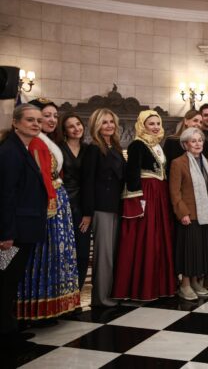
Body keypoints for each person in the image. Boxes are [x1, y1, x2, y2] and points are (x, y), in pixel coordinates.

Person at [17, 98, 80, 322]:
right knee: (44, 254)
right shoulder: (35, 142)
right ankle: (38, 308)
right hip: (47, 204)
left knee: (56, 254)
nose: (52, 119)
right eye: (47, 115)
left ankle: (53, 305)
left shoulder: (47, 141)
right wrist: (51, 204)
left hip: (57, 201)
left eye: (55, 116)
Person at [112, 111, 176, 301]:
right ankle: (140, 288)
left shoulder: (156, 145)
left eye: (158, 123)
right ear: (142, 125)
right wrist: (138, 201)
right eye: (151, 124)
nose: (156, 127)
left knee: (159, 238)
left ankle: (159, 285)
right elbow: (132, 173)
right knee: (146, 238)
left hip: (160, 194)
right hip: (147, 194)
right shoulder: (137, 145)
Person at [0, 105, 47, 351]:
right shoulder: (10, 151)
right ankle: (4, 332)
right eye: (30, 120)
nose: (36, 124)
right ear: (16, 123)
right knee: (5, 279)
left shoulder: (23, 149)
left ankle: (7, 327)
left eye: (39, 120)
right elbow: (5, 195)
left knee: (10, 279)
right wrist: (6, 234)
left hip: (23, 228)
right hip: (13, 232)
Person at [82, 108, 125, 307]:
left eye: (111, 122)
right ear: (96, 125)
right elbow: (87, 182)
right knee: (103, 254)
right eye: (105, 122)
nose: (109, 125)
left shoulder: (115, 146)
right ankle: (100, 298)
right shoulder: (93, 148)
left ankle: (112, 292)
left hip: (116, 205)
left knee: (114, 253)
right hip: (101, 207)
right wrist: (87, 212)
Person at [170, 127, 208, 300]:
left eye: (200, 140)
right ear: (185, 144)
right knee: (188, 251)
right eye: (193, 141)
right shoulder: (178, 163)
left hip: (205, 214)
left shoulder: (207, 162)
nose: (197, 144)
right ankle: (185, 285)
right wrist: (183, 213)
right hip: (189, 214)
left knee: (200, 251)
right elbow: (175, 192)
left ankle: (196, 282)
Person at [57, 112, 90, 290]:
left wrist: (88, 212)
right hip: (62, 203)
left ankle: (77, 290)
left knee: (82, 251)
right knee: (63, 252)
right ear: (64, 130)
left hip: (83, 204)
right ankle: (62, 292)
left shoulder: (88, 149)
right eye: (71, 126)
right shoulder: (58, 148)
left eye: (78, 124)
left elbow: (91, 181)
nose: (76, 128)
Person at [163, 110, 208, 178]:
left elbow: (206, 167)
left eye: (201, 122)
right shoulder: (171, 141)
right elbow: (166, 167)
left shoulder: (205, 143)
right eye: (195, 120)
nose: (198, 124)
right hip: (175, 180)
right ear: (186, 121)